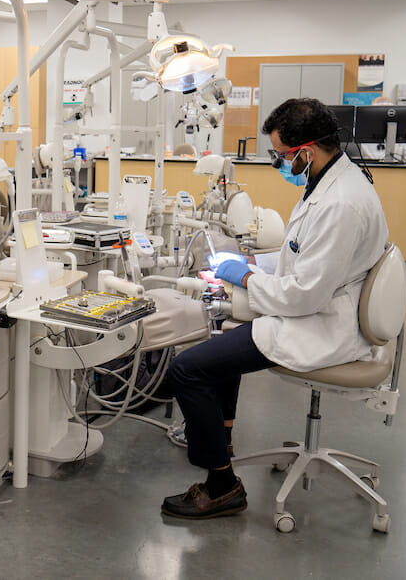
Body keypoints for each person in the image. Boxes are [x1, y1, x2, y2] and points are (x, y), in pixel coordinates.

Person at [161, 98, 388, 520]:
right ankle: (221, 442)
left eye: (281, 155)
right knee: (225, 341)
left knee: (186, 370)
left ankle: (222, 485)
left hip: (320, 326)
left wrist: (246, 279)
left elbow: (306, 294)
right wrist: (249, 265)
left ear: (307, 150)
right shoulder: (327, 182)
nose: (278, 163)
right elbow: (300, 256)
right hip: (318, 309)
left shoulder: (341, 204)